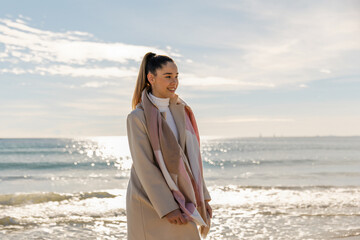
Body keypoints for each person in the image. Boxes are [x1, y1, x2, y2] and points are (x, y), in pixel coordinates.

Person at [126, 52, 212, 240]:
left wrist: (202, 197)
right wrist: (167, 207)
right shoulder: (137, 118)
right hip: (149, 200)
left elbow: (192, 160)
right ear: (151, 78)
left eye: (176, 76)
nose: (174, 82)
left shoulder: (182, 111)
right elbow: (145, 165)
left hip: (182, 196)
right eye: (168, 77)